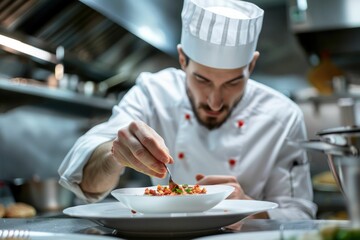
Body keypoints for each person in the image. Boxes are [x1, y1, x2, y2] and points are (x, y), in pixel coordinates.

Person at [59, 0, 317, 219]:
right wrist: (115, 154)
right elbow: (86, 180)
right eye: (202, 80)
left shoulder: (283, 116)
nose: (215, 102)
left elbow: (299, 215)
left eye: (233, 82)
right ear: (182, 59)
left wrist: (246, 208)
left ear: (251, 66)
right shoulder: (153, 93)